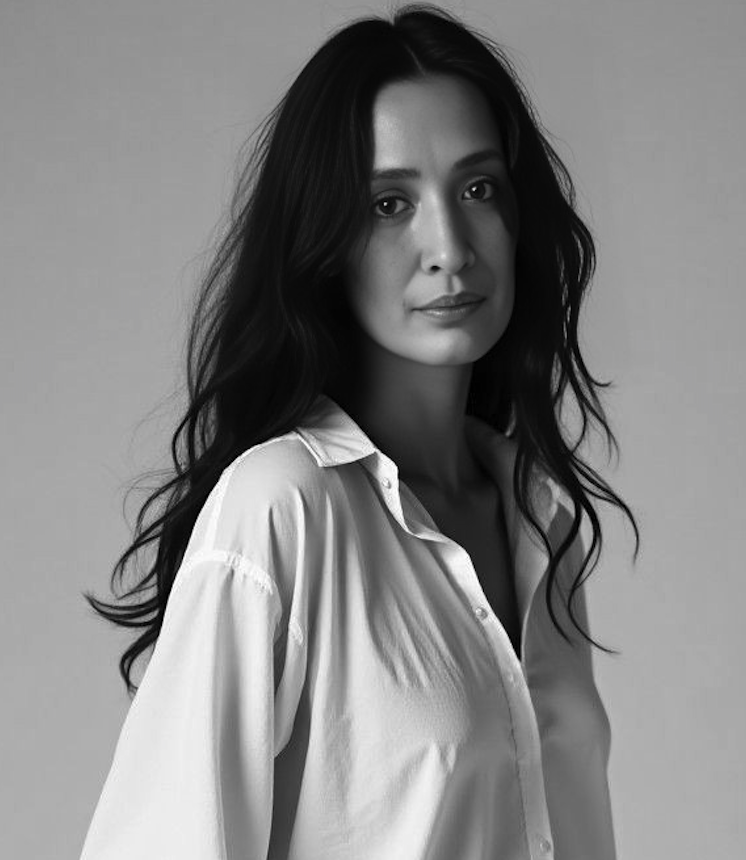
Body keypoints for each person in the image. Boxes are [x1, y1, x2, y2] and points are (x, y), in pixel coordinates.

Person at [80, 4, 639, 859]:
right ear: (325, 240)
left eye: (479, 189)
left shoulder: (540, 519)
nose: (449, 246)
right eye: (388, 203)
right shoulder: (282, 510)